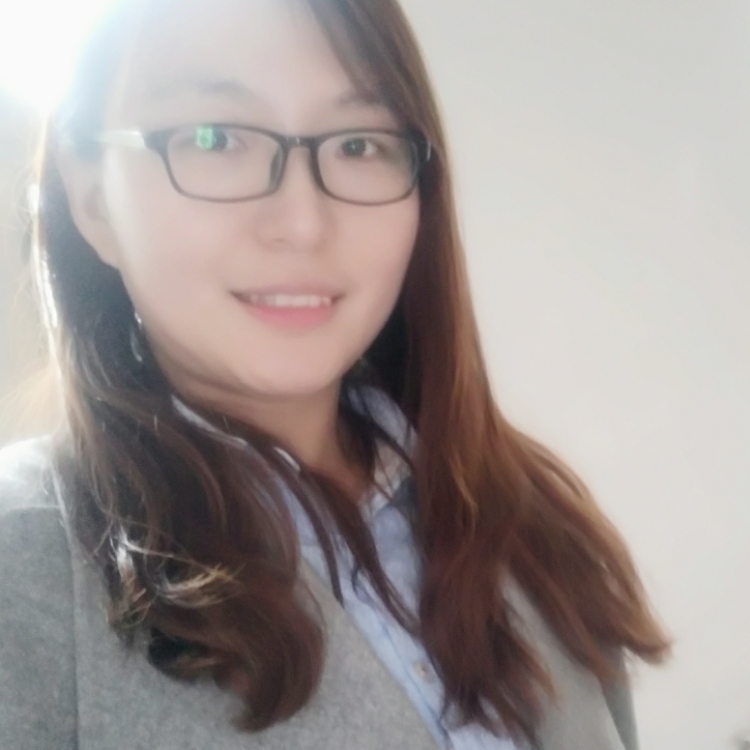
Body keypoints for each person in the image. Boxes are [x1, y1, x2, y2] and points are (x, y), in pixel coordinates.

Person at [0, 0, 670, 748]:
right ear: (93, 199)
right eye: (215, 137)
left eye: (357, 143)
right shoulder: (22, 557)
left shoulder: (525, 514)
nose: (303, 221)